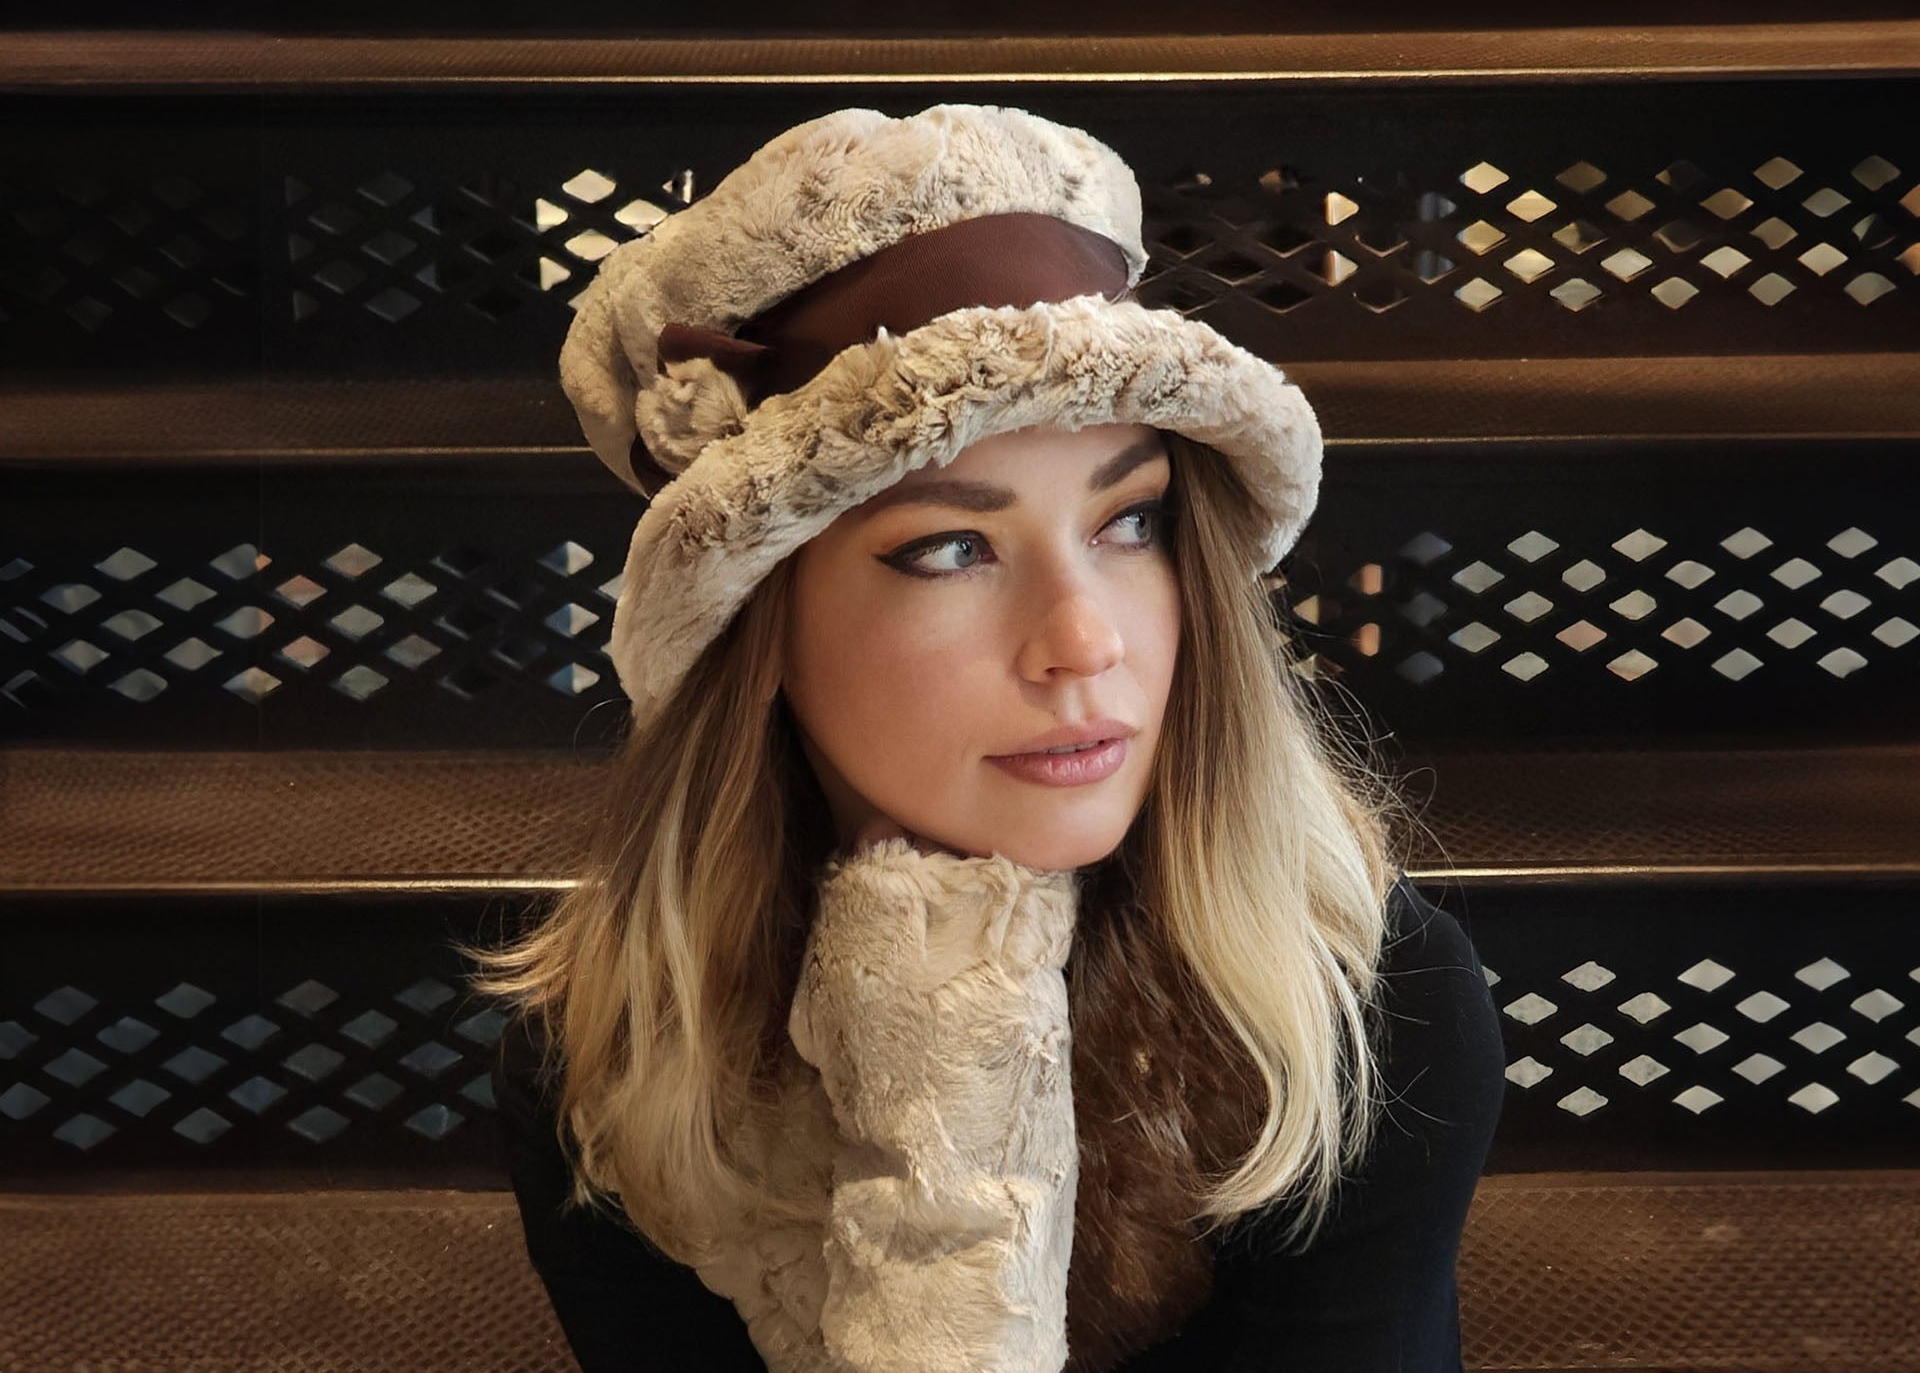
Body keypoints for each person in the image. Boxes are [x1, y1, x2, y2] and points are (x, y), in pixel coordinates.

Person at [468, 103, 1507, 1373]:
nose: (1085, 640)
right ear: (760, 623)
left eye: (1129, 522)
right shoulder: (609, 1066)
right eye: (951, 547)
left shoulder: (1364, 1004)